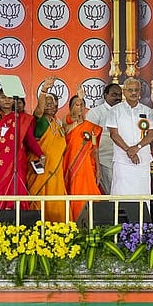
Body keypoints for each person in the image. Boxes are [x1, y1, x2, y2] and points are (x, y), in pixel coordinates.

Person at [0, 87, 44, 209]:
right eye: (3, 97)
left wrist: (41, 155)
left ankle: (17, 220)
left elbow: (30, 140)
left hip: (16, 161)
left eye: (9, 98)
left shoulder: (20, 118)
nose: (6, 101)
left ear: (14, 100)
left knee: (16, 189)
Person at [107, 77, 153, 197]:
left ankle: (142, 216)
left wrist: (136, 148)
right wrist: (129, 151)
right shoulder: (115, 110)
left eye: (136, 90)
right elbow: (114, 134)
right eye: (130, 90)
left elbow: (151, 134)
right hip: (122, 160)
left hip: (142, 159)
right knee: (122, 195)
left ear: (140, 92)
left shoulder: (147, 111)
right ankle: (121, 217)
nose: (133, 93)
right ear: (124, 92)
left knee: (142, 194)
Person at [29, 79, 68, 222]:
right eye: (47, 103)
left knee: (57, 202)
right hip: (43, 172)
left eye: (53, 104)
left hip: (56, 172)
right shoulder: (40, 121)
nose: (51, 106)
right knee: (41, 202)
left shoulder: (56, 123)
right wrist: (44, 90)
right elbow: (38, 111)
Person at [63, 93, 103, 222]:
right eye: (77, 104)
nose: (80, 107)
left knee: (90, 195)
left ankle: (91, 224)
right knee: (74, 196)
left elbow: (95, 149)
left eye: (82, 105)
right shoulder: (68, 122)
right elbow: (71, 120)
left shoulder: (91, 128)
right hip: (71, 168)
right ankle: (75, 224)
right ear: (70, 108)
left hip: (88, 168)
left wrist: (98, 170)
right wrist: (80, 96)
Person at [85, 82, 122, 193]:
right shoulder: (96, 113)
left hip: (122, 159)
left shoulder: (123, 112)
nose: (118, 98)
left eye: (120, 95)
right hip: (104, 159)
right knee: (110, 190)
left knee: (121, 190)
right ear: (105, 95)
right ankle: (112, 210)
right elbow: (89, 137)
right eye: (114, 95)